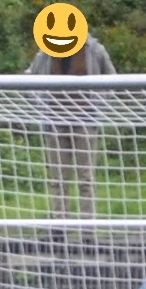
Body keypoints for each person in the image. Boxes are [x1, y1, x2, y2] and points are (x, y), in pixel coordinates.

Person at [26, 32, 116, 220]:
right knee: (58, 178)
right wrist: (40, 104)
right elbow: (29, 78)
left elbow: (112, 79)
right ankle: (60, 223)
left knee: (86, 178)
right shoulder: (46, 52)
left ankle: (87, 226)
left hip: (85, 120)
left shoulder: (94, 49)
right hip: (55, 121)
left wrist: (98, 105)